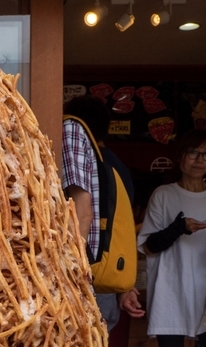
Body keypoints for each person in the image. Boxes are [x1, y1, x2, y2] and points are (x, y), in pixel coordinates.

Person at [137, 129, 206, 347]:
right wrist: (179, 228)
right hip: (170, 289)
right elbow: (148, 246)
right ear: (180, 156)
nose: (199, 160)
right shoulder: (163, 195)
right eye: (193, 152)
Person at [61, 95, 145, 331]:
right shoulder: (117, 167)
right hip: (104, 283)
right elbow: (118, 230)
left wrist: (67, 267)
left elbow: (83, 209)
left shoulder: (72, 133)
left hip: (84, 279)